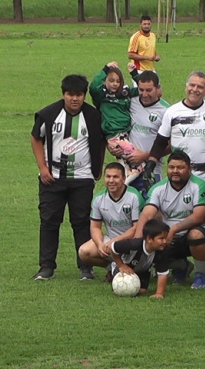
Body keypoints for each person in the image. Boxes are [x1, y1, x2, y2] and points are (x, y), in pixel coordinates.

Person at [142, 70, 205, 279]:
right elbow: (161, 141)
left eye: (200, 86)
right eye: (192, 85)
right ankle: (181, 264)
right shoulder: (172, 112)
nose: (195, 89)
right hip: (179, 177)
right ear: (186, 86)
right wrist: (151, 164)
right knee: (178, 220)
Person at [31, 74, 104, 281]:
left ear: (84, 95)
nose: (75, 99)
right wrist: (42, 168)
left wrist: (97, 168)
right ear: (63, 94)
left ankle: (85, 267)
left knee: (81, 222)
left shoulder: (93, 116)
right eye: (70, 94)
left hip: (82, 179)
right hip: (52, 178)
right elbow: (36, 138)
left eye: (79, 95)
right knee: (49, 221)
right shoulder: (48, 114)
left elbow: (101, 141)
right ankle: (46, 267)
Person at [136, 151, 205, 290]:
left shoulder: (200, 185)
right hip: (170, 237)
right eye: (171, 167)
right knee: (152, 239)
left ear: (189, 168)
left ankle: (201, 275)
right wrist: (139, 243)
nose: (175, 171)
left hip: (204, 233)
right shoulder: (158, 188)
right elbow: (146, 215)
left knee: (195, 234)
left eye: (180, 167)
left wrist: (173, 230)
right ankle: (181, 266)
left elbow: (199, 217)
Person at [108, 70, 170, 198]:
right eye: (141, 90)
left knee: (151, 208)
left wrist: (145, 156)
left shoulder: (166, 111)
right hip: (127, 169)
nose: (144, 94)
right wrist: (112, 145)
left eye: (149, 90)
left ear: (158, 88)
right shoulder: (131, 101)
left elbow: (171, 144)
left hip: (152, 169)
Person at [78, 162, 144, 280]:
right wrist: (99, 244)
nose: (111, 180)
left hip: (132, 242)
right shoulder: (98, 199)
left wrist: (114, 242)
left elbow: (136, 228)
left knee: (139, 266)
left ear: (124, 178)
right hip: (112, 242)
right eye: (108, 176)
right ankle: (113, 268)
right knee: (84, 252)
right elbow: (95, 227)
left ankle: (140, 268)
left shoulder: (134, 197)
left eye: (115, 177)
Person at [89, 62, 141, 184]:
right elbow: (93, 87)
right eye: (111, 80)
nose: (115, 84)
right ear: (105, 80)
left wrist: (134, 74)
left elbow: (143, 89)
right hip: (114, 135)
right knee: (140, 164)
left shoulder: (125, 92)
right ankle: (124, 184)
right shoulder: (102, 95)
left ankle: (124, 185)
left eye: (118, 81)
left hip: (127, 134)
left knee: (126, 165)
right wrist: (105, 69)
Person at [111, 219, 170, 297]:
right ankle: (112, 273)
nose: (165, 241)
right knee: (124, 288)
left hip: (143, 271)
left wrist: (159, 293)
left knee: (142, 291)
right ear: (149, 239)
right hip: (125, 268)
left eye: (166, 238)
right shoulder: (134, 244)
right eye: (161, 238)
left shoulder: (162, 251)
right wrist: (121, 265)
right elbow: (113, 247)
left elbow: (162, 273)